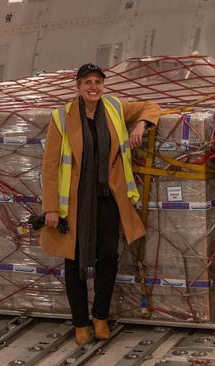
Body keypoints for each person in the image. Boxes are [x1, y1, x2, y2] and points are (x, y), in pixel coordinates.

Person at [40, 63, 160, 345]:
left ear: (102, 85)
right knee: (74, 262)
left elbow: (151, 106)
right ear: (78, 87)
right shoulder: (61, 117)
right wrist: (51, 208)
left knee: (107, 257)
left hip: (107, 199)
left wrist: (141, 125)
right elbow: (50, 166)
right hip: (75, 204)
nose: (93, 87)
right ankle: (80, 322)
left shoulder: (115, 108)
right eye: (87, 83)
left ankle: (101, 317)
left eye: (97, 82)